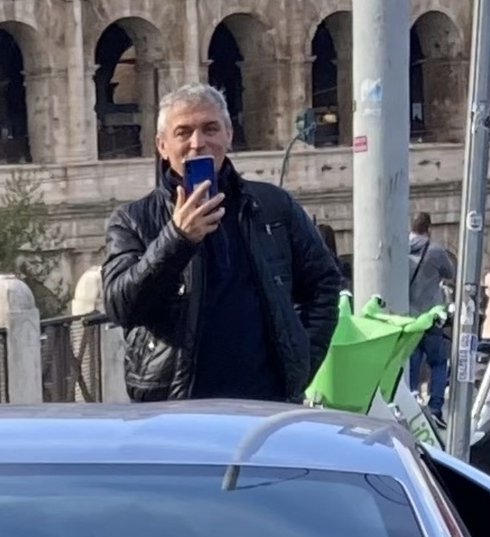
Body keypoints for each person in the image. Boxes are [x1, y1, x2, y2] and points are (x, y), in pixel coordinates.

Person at [101, 83, 341, 402]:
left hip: (265, 403)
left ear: (228, 133)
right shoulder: (132, 219)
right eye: (183, 132)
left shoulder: (274, 205)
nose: (197, 143)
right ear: (162, 145)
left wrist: (300, 362)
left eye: (210, 128)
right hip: (175, 407)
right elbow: (121, 307)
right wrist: (177, 238)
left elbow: (324, 284)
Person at [406, 210, 455, 421]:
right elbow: (449, 273)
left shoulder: (401, 248)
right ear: (429, 228)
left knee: (412, 363)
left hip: (409, 320)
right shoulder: (435, 251)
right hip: (431, 317)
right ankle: (435, 408)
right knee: (438, 362)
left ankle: (411, 405)